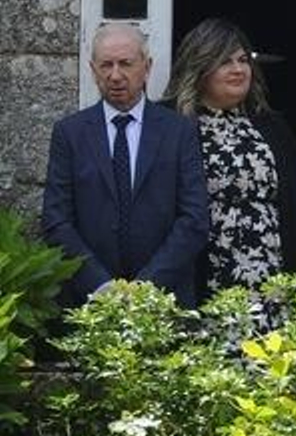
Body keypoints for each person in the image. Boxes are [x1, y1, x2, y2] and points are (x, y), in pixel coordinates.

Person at [42, 23, 209, 307]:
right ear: (93, 70)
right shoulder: (69, 133)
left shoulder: (179, 131)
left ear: (147, 67)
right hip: (89, 303)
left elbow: (194, 219)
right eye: (106, 65)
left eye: (126, 64)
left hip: (164, 301)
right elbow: (56, 221)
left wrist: (147, 287)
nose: (115, 75)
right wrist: (101, 285)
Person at [164, 18, 296, 299]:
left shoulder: (272, 126)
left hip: (271, 277)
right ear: (200, 67)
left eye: (243, 60)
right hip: (207, 277)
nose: (238, 69)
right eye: (225, 62)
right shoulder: (169, 125)